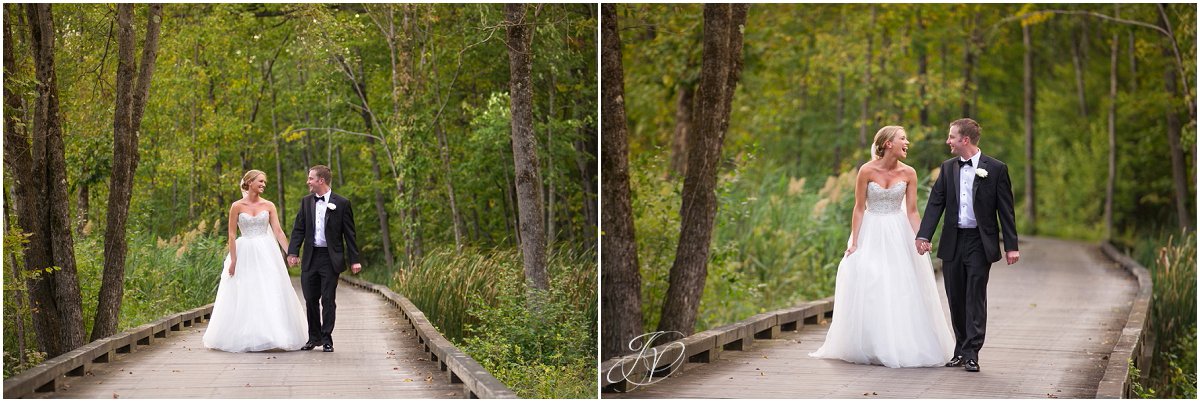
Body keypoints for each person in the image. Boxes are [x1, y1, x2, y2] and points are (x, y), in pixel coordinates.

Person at [810, 126, 955, 368]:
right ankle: (871, 344)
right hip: (871, 230)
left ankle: (897, 344)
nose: (907, 142)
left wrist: (922, 236)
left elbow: (911, 210)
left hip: (898, 233)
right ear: (888, 143)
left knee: (899, 285)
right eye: (903, 138)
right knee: (872, 280)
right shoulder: (866, 170)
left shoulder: (909, 173)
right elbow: (858, 208)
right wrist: (855, 242)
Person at [915, 118, 1020, 373]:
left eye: (951, 137)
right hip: (953, 240)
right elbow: (936, 203)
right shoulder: (948, 167)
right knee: (955, 296)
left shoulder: (995, 169)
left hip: (979, 241)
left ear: (965, 140)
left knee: (975, 294)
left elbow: (1005, 210)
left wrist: (1012, 246)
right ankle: (960, 349)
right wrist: (923, 235)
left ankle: (972, 352)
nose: (947, 141)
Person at [203, 170, 308, 352]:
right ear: (249, 182)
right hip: (244, 251)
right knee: (246, 290)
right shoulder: (236, 206)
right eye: (260, 181)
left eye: (264, 182)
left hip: (266, 252)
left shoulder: (269, 205)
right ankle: (246, 335)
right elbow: (231, 234)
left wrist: (290, 253)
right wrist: (233, 260)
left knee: (268, 289)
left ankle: (273, 334)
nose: (263, 185)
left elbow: (278, 232)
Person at [286, 165, 362, 353]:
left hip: (330, 258)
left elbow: (349, 234)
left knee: (328, 299)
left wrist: (354, 259)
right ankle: (313, 338)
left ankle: (327, 339)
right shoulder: (306, 202)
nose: (308, 182)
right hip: (311, 257)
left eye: (310, 178)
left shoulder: (342, 203)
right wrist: (293, 252)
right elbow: (299, 229)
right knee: (310, 299)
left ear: (321, 180)